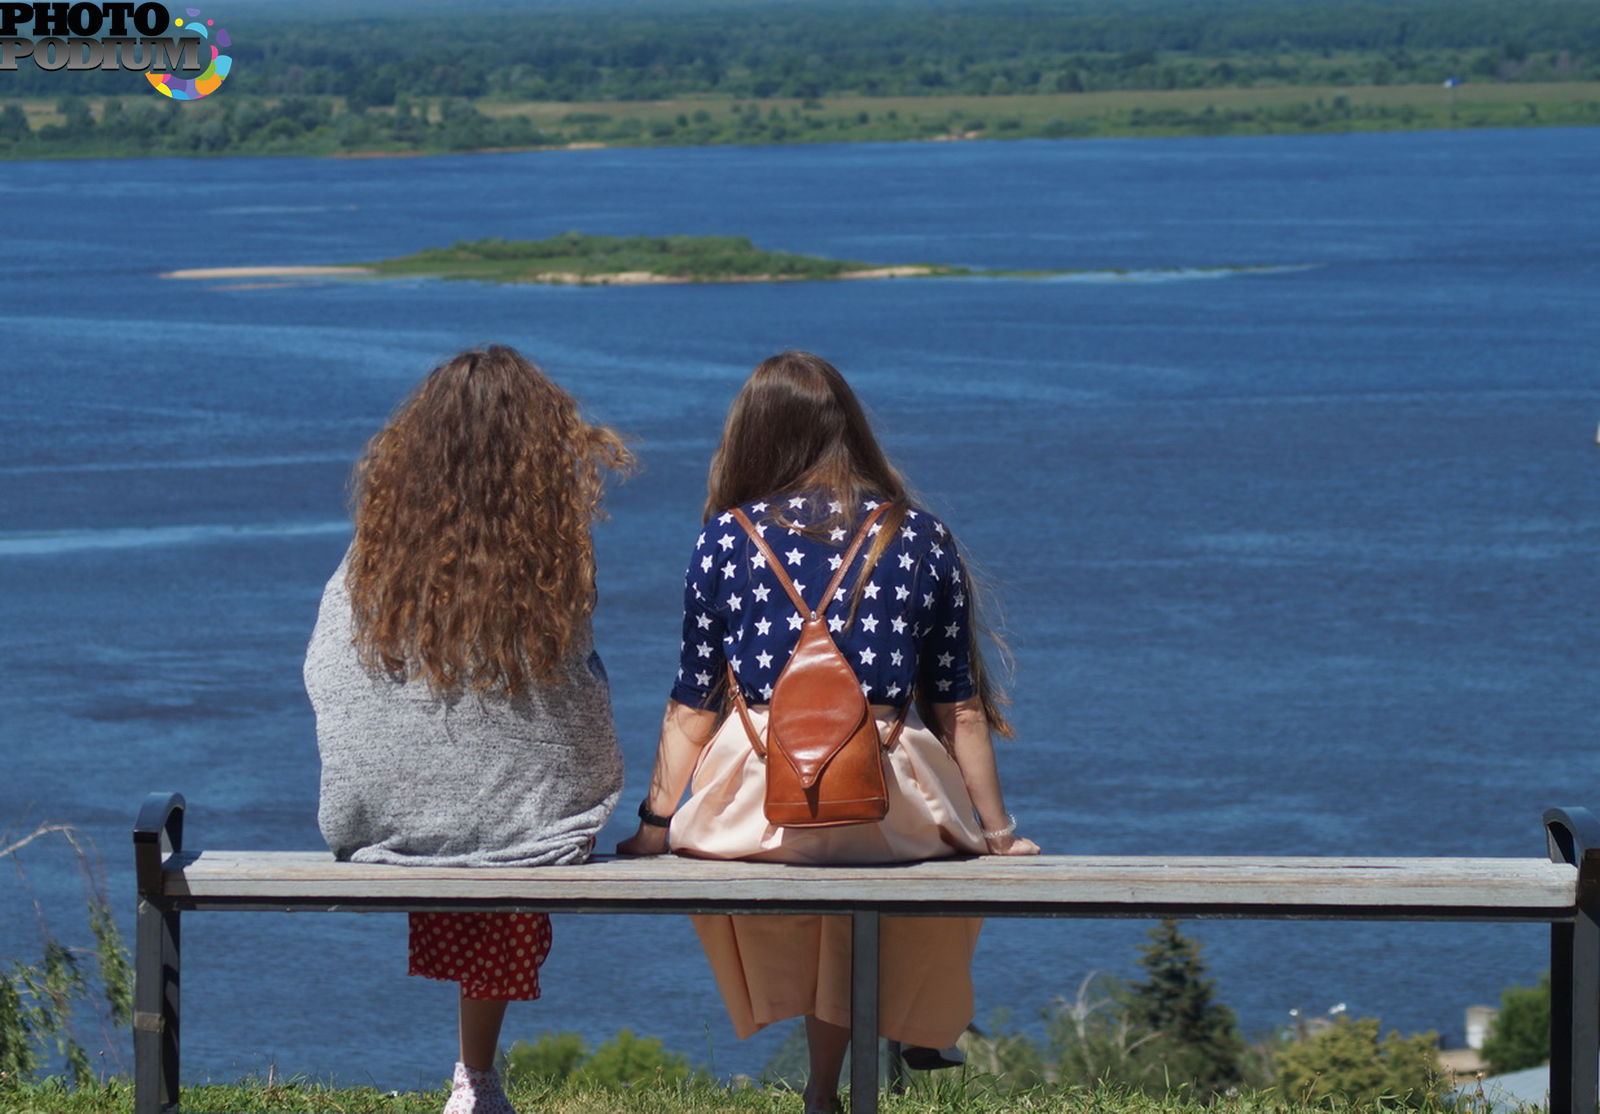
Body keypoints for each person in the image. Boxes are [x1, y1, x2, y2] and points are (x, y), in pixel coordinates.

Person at [618, 350, 1039, 1114]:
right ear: (850, 430)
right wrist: (998, 832)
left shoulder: (724, 540)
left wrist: (653, 826)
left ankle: (820, 1085)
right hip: (889, 810)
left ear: (751, 437)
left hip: (750, 809)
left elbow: (691, 707)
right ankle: (911, 1029)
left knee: (799, 886)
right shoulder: (919, 537)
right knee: (912, 876)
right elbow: (960, 707)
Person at [304, 345, 633, 1114]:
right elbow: (576, 697)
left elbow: (326, 671)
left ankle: (474, 1076)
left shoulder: (373, 557)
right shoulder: (549, 563)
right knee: (510, 827)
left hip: (394, 822)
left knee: (478, 816)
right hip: (520, 830)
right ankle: (474, 1075)